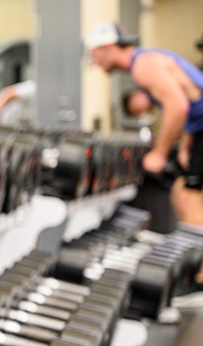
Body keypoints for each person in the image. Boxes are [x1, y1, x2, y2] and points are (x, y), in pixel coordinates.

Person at [87, 21, 203, 282]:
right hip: (200, 130)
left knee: (188, 198)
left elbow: (179, 107)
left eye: (94, 55)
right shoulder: (148, 59)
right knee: (182, 193)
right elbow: (191, 100)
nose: (95, 63)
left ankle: (198, 278)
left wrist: (159, 153)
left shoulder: (143, 66)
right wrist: (187, 143)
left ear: (107, 48)